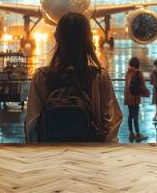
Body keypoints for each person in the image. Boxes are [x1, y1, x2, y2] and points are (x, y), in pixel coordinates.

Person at [25, 12, 123, 142]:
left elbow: (32, 128)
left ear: (56, 37)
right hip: (88, 155)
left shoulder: (41, 77)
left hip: (50, 156)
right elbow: (111, 127)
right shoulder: (99, 77)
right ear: (90, 38)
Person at [124, 56, 148, 141]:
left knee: (130, 115)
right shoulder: (138, 73)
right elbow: (143, 85)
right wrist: (147, 93)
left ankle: (131, 133)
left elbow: (126, 86)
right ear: (137, 64)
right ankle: (138, 134)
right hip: (135, 97)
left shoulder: (128, 72)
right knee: (136, 116)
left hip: (128, 97)